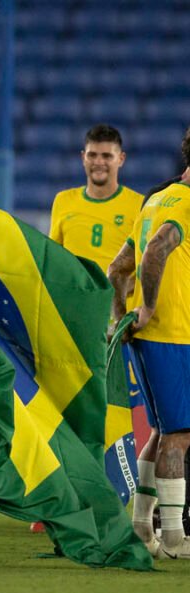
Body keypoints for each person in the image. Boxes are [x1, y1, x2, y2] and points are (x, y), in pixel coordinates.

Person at [49, 124, 144, 534]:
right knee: (71, 416)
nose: (99, 162)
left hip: (118, 332)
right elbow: (53, 264)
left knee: (117, 417)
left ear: (121, 160)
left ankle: (124, 499)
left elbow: (142, 267)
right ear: (82, 158)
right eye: (92, 154)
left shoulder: (140, 206)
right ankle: (71, 499)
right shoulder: (64, 202)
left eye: (107, 155)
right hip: (72, 330)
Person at [108, 128, 190, 559]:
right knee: (180, 433)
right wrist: (150, 307)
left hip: (153, 337)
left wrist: (124, 314)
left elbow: (117, 266)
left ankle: (142, 527)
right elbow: (154, 252)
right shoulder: (187, 205)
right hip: (173, 334)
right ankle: (175, 539)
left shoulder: (158, 200)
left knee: (162, 431)